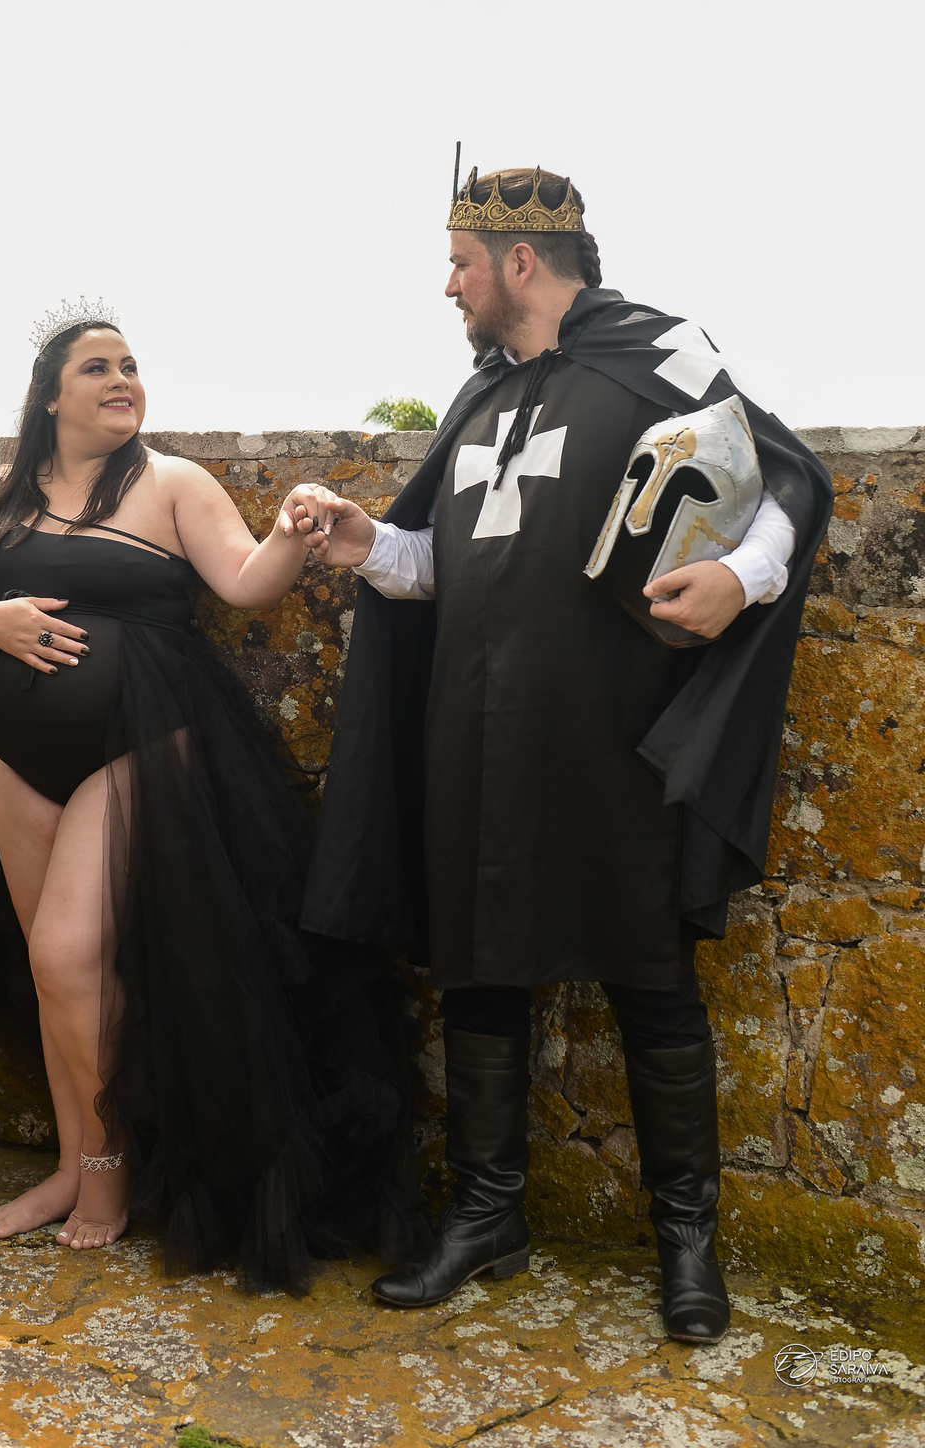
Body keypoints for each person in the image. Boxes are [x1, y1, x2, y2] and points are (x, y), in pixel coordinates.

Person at [0, 300, 422, 1292]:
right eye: (98, 367)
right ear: (49, 395)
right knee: (51, 973)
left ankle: (110, 1175)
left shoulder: (172, 482)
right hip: (14, 756)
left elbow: (247, 583)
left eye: (131, 366)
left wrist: (294, 525)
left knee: (68, 954)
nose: (123, 381)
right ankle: (72, 1164)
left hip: (139, 742)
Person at [283, 162, 833, 1342]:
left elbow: (784, 476)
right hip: (473, 731)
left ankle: (687, 1243)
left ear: (519, 261)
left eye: (460, 264)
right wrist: (367, 541)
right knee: (478, 967)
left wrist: (743, 577)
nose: (449, 287)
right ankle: (489, 1218)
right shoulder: (482, 396)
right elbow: (444, 566)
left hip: (615, 731)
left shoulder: (659, 353)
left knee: (650, 975)